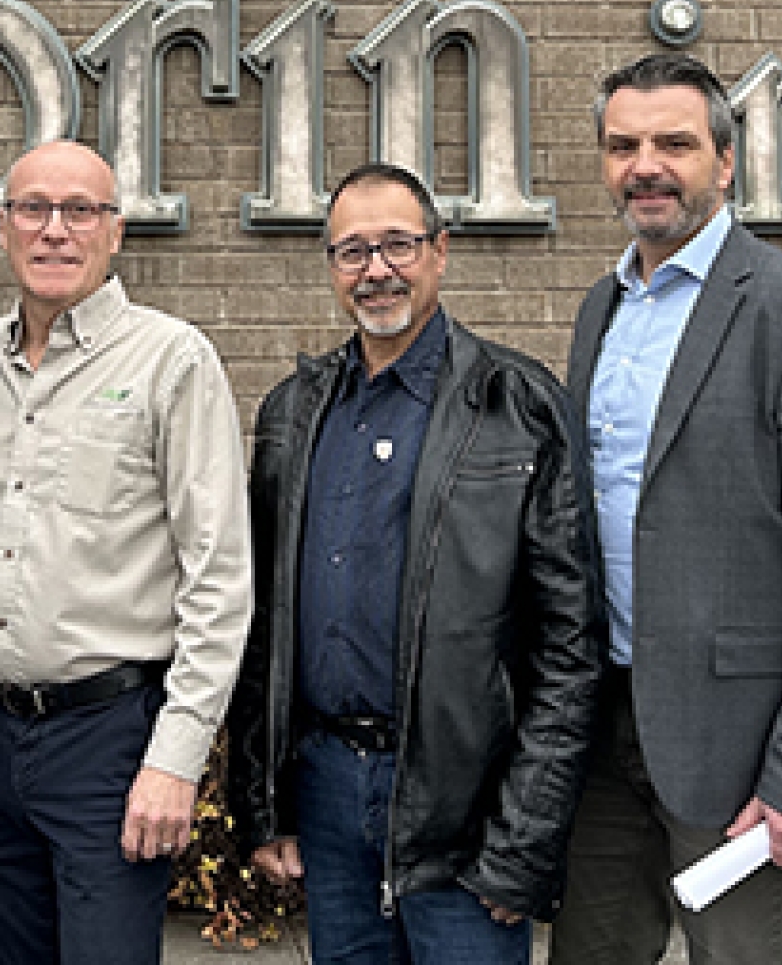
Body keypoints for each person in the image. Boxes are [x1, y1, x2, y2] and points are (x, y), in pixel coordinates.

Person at [227, 161, 603, 965]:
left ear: (440, 251)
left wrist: (523, 842)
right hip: (330, 798)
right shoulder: (295, 412)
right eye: (352, 250)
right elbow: (264, 624)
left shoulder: (519, 404)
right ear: (331, 266)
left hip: (465, 813)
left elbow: (569, 645)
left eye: (397, 243)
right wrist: (267, 804)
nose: (377, 269)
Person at [0, 139, 252, 965]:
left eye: (80, 210)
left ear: (116, 231)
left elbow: (219, 578)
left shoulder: (172, 361)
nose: (55, 230)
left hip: (109, 741)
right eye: (33, 208)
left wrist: (176, 760)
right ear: (4, 227)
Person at [549, 53, 782, 964]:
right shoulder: (598, 309)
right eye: (623, 145)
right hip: (607, 726)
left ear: (725, 162)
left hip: (736, 748)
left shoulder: (771, 303)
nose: (645, 164)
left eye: (674, 143)